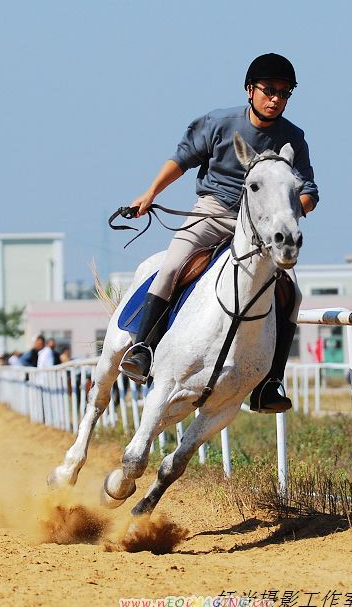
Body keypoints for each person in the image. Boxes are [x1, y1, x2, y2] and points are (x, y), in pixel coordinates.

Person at [119, 53, 319, 413]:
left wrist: (285, 214)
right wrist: (149, 194)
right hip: (214, 211)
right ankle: (143, 348)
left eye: (285, 93)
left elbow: (309, 192)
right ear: (249, 90)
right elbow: (180, 160)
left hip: (262, 230)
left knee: (293, 293)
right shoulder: (218, 122)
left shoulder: (294, 138)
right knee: (172, 266)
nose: (276, 98)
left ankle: (270, 382)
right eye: (269, 90)